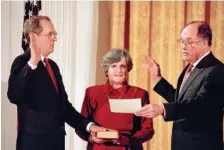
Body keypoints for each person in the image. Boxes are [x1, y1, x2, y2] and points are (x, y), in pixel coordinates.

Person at [7, 15, 104, 150]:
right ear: (33, 37)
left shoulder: (52, 66)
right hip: (33, 145)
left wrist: (89, 126)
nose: (55, 38)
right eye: (50, 34)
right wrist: (33, 63)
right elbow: (14, 95)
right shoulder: (22, 62)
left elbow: (64, 107)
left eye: (55, 34)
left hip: (56, 143)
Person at [135, 21, 224, 150]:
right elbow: (180, 101)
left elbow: (202, 104)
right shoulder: (191, 68)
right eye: (181, 41)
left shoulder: (217, 70)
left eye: (189, 41)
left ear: (205, 43)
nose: (183, 46)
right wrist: (157, 78)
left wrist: (162, 109)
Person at [76, 48, 154, 150]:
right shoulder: (93, 92)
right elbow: (81, 124)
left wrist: (128, 140)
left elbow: (148, 129)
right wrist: (91, 138)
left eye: (123, 66)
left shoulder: (140, 94)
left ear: (128, 69)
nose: (118, 70)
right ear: (106, 70)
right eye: (114, 66)